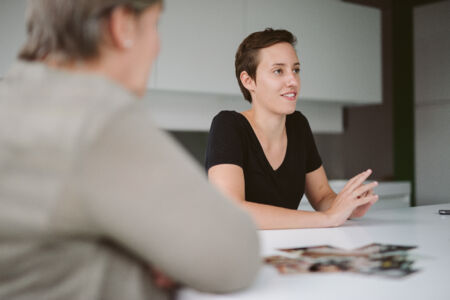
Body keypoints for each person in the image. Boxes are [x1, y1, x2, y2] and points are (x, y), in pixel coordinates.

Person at [0, 1, 260, 299]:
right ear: (122, 24)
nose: (158, 46)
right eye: (154, 25)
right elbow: (235, 252)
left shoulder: (13, 97)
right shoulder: (95, 116)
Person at [205, 28, 378, 230]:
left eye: (295, 70)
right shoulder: (228, 125)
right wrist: (327, 218)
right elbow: (231, 212)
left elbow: (322, 196)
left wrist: (347, 207)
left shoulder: (298, 125)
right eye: (278, 71)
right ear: (248, 80)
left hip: (286, 251)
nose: (293, 81)